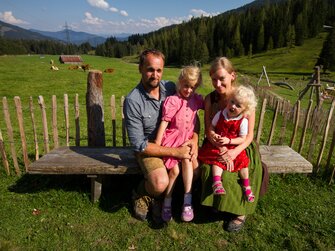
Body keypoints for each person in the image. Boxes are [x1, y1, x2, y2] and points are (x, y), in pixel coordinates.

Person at [123, 49, 199, 223]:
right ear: (140, 68)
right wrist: (175, 152)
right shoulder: (133, 101)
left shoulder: (171, 88)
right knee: (159, 182)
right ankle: (143, 194)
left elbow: (192, 114)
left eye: (159, 70)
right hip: (149, 148)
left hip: (177, 142)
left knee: (195, 171)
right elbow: (139, 145)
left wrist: (194, 139)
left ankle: (173, 200)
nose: (154, 75)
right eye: (150, 69)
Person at [200, 57, 263, 232]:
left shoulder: (245, 99)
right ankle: (217, 204)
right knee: (211, 168)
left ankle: (240, 212)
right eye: (214, 79)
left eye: (222, 78)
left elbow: (249, 135)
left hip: (240, 145)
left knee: (247, 170)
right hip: (216, 143)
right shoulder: (210, 99)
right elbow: (208, 129)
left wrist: (234, 152)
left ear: (232, 75)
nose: (217, 83)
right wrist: (221, 147)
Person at [155, 65, 204, 222]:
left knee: (187, 161)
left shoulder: (196, 100)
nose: (189, 90)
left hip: (187, 141)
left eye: (193, 87)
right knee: (175, 172)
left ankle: (187, 201)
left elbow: (209, 105)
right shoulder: (173, 101)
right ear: (180, 82)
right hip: (172, 141)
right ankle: (167, 201)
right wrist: (157, 146)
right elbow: (164, 123)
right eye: (186, 86)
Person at [198, 85, 257, 203]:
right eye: (232, 102)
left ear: (244, 110)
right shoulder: (220, 114)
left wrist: (230, 141)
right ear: (229, 100)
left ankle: (246, 186)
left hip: (234, 146)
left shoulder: (243, 121)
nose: (233, 106)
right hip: (217, 144)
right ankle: (217, 182)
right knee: (217, 161)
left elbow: (242, 138)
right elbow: (212, 127)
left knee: (243, 164)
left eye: (238, 105)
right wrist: (214, 135)